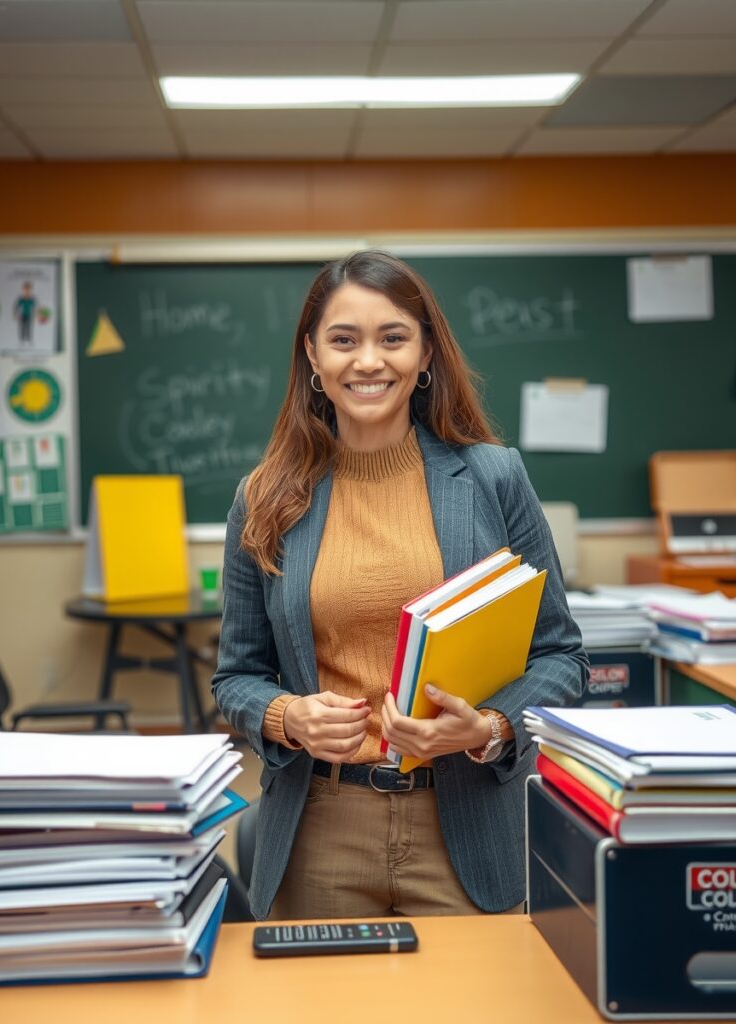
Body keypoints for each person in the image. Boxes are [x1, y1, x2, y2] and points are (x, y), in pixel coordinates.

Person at [212, 250, 588, 921]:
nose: (368, 361)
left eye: (392, 338)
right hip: (321, 828)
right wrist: (288, 716)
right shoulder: (265, 497)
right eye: (343, 340)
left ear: (425, 356)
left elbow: (563, 657)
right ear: (313, 359)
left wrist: (490, 725)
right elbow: (235, 676)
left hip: (467, 823)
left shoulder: (494, 479)